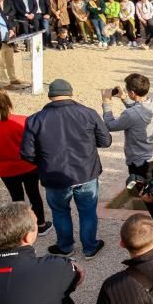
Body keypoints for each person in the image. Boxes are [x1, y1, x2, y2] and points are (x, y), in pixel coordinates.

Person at [22, 79, 112, 259]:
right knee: (87, 211)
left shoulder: (35, 119)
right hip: (86, 173)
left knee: (60, 211)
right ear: (70, 93)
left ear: (50, 96)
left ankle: (65, 246)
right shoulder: (88, 113)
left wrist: (44, 164)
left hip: (55, 176)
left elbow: (27, 154)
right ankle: (89, 247)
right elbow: (106, 141)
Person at [0, 89, 50, 234]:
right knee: (34, 194)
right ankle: (40, 224)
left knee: (16, 197)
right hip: (28, 165)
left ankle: (22, 227)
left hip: (6, 168)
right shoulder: (24, 120)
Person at [102, 73, 153, 231]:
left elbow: (110, 125)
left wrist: (106, 103)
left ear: (132, 92)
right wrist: (125, 98)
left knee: (145, 193)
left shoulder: (131, 114)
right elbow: (139, 110)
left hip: (138, 160)